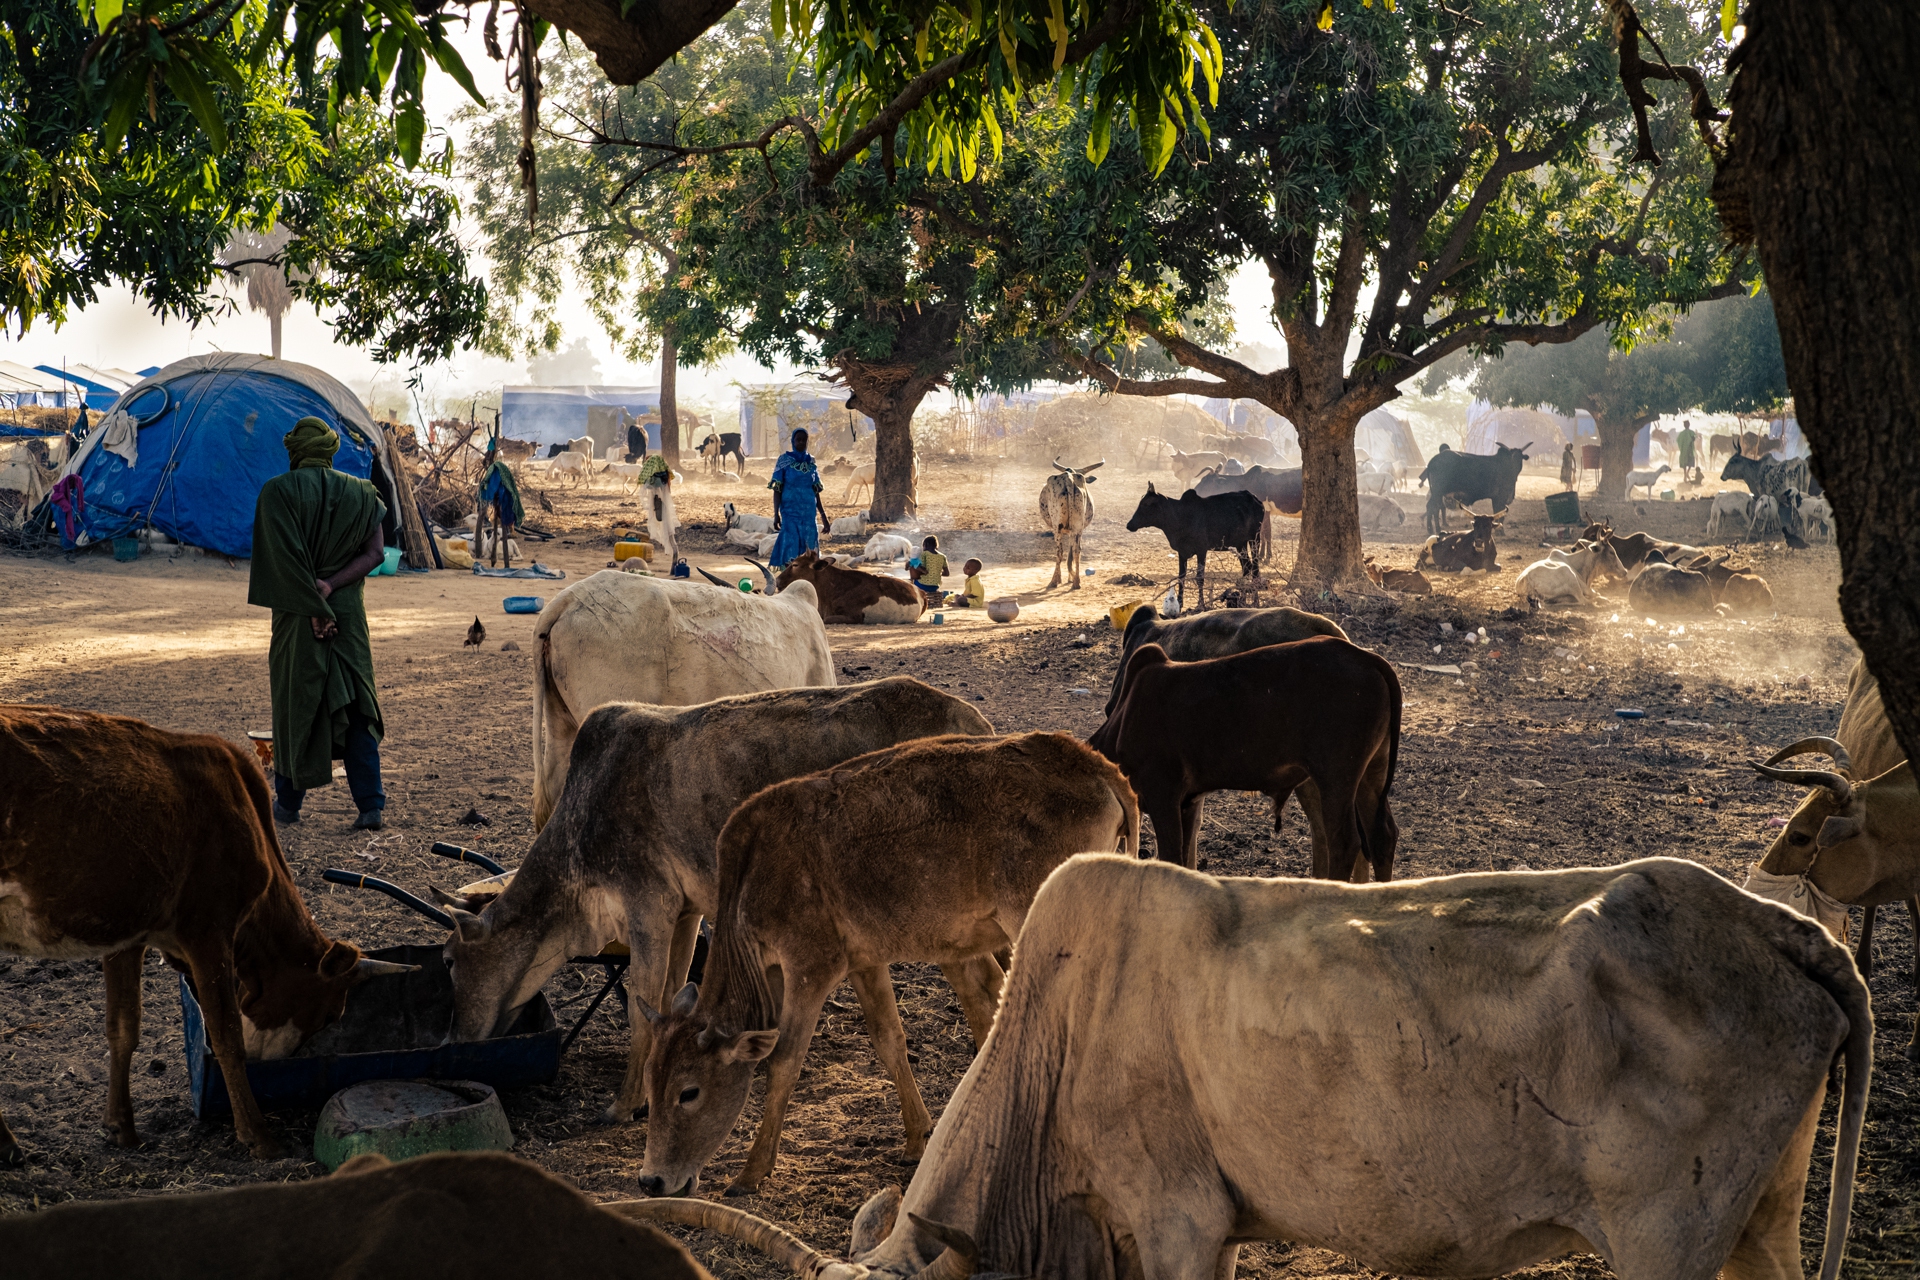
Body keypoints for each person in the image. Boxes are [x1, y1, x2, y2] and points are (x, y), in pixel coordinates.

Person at [248, 417, 389, 830]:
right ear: (331, 448)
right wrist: (331, 587)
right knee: (355, 705)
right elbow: (376, 553)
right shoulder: (364, 493)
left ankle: (288, 805)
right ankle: (370, 806)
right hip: (346, 617)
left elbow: (279, 564)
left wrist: (310, 598)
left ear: (293, 450)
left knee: (298, 705)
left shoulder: (276, 494)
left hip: (295, 616)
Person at [768, 428, 829, 567]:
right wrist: (776, 514)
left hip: (809, 514)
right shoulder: (783, 461)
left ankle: (809, 582)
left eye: (804, 440)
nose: (801, 442)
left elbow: (816, 491)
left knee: (810, 548)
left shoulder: (811, 462)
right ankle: (787, 580)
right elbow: (777, 489)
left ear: (808, 442)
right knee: (790, 545)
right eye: (798, 439)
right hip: (790, 513)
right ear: (793, 441)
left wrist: (824, 516)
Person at [912, 535, 948, 603]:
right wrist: (935, 572)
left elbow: (915, 566)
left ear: (926, 544)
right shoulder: (943, 556)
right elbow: (947, 573)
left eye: (923, 546)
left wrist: (923, 571)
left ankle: (916, 597)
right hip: (935, 586)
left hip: (922, 585)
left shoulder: (924, 554)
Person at [1677, 419, 1698, 484]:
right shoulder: (1690, 432)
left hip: (1685, 450)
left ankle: (1686, 474)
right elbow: (1694, 438)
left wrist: (1682, 447)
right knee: (1689, 463)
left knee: (1686, 464)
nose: (1687, 425)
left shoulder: (1681, 434)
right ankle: (1686, 474)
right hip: (1689, 450)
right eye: (1687, 424)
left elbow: (1678, 441)